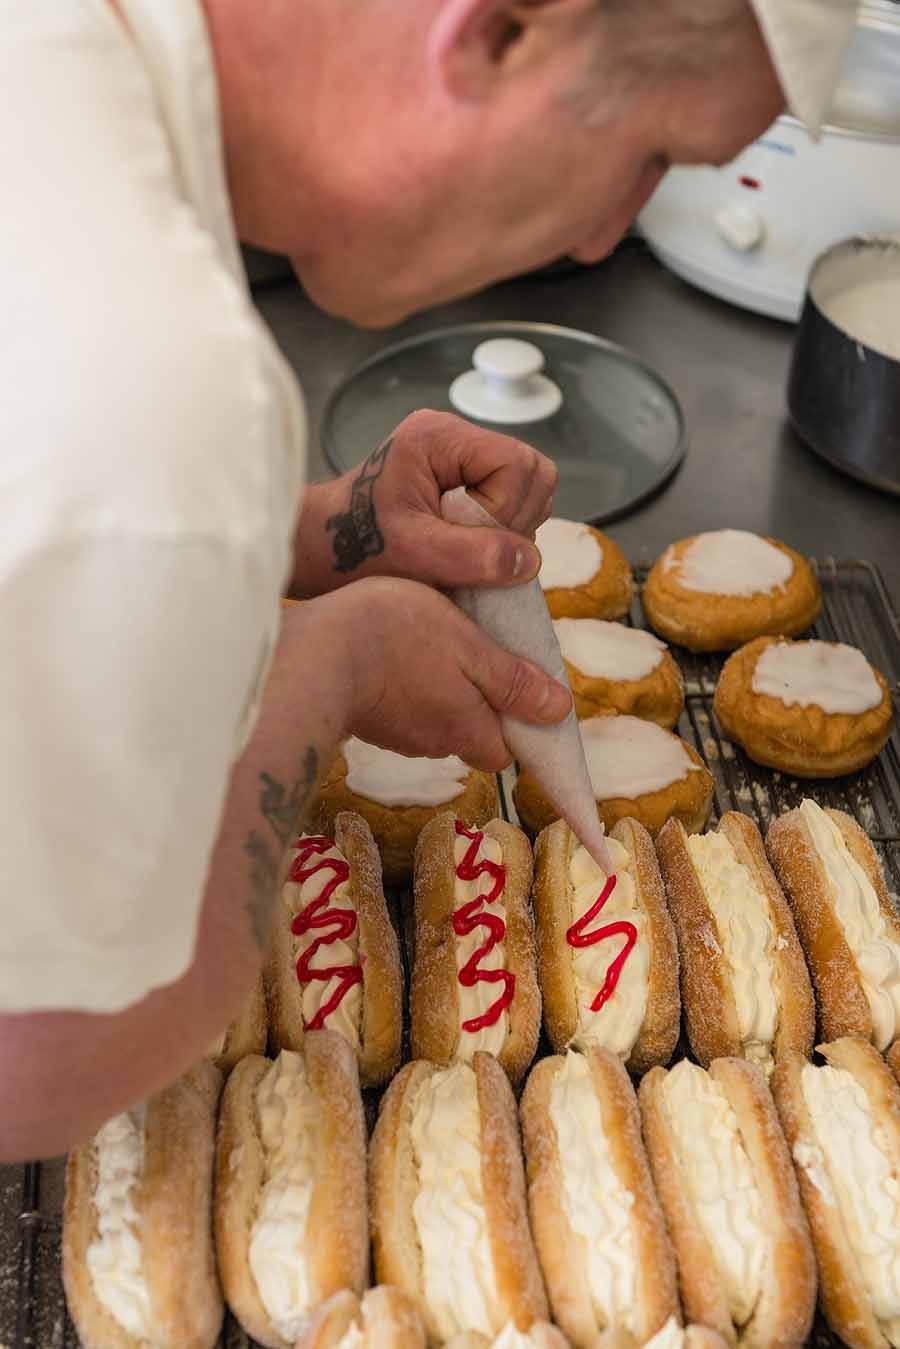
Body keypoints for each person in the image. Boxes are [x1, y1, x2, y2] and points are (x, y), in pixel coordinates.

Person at [1, 0, 853, 1161]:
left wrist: (334, 531)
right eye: (648, 157)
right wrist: (334, 664)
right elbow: (40, 1066)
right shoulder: (148, 361)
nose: (607, 239)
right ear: (495, 33)